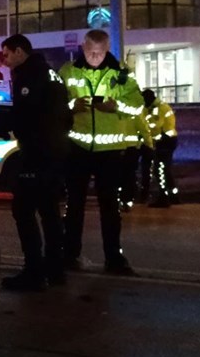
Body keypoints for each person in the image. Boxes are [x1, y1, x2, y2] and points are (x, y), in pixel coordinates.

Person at [58, 29, 144, 275]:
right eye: (90, 51)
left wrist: (115, 106)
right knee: (74, 205)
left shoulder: (122, 74)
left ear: (107, 50)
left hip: (110, 150)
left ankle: (114, 258)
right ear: (83, 48)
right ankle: (70, 253)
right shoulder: (68, 71)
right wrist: (71, 106)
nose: (94, 56)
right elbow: (54, 105)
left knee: (110, 208)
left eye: (99, 52)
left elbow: (138, 106)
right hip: (78, 148)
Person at [0, 34, 73, 291]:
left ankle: (34, 272)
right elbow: (66, 115)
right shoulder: (52, 74)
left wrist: (3, 125)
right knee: (50, 212)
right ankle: (55, 269)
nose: (4, 61)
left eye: (6, 54)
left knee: (24, 211)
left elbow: (25, 115)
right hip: (57, 152)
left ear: (19, 51)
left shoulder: (29, 76)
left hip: (37, 153)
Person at [143, 89, 179, 208]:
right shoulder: (160, 106)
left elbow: (156, 125)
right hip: (167, 140)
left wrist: (144, 125)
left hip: (164, 142)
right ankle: (173, 196)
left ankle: (164, 198)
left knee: (160, 171)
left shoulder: (158, 109)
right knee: (165, 170)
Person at [120, 109, 152, 212]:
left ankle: (119, 199)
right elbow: (143, 128)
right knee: (129, 174)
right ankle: (127, 200)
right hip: (131, 147)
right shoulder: (135, 110)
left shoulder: (113, 107)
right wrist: (149, 145)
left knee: (117, 174)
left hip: (116, 146)